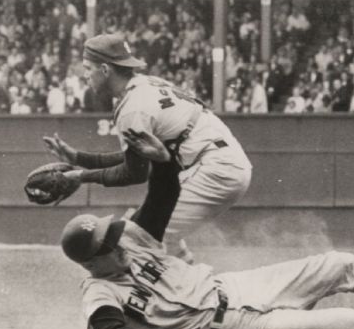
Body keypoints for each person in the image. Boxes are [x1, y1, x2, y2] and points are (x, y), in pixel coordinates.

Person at [59, 148, 354, 329]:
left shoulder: (132, 238)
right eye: (109, 245)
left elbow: (164, 195)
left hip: (234, 285)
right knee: (353, 325)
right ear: (93, 262)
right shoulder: (98, 291)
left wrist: (163, 162)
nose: (119, 242)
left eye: (112, 233)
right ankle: (293, 324)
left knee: (338, 263)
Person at [44, 34, 252, 263]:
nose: (84, 75)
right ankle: (195, 286)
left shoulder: (132, 108)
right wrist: (78, 158)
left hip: (214, 168)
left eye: (87, 68)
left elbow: (134, 173)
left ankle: (197, 293)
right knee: (143, 226)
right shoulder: (146, 83)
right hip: (218, 160)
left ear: (104, 70)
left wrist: (80, 176)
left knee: (137, 239)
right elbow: (134, 158)